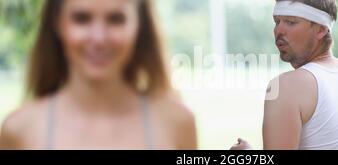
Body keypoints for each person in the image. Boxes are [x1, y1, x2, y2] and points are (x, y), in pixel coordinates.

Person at [0, 0, 197, 150]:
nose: (99, 38)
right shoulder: (19, 130)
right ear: (57, 24)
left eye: (116, 19)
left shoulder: (177, 123)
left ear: (139, 26)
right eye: (82, 19)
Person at [232, 0, 338, 150]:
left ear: (321, 29)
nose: (278, 30)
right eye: (277, 21)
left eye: (291, 22)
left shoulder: (286, 87)